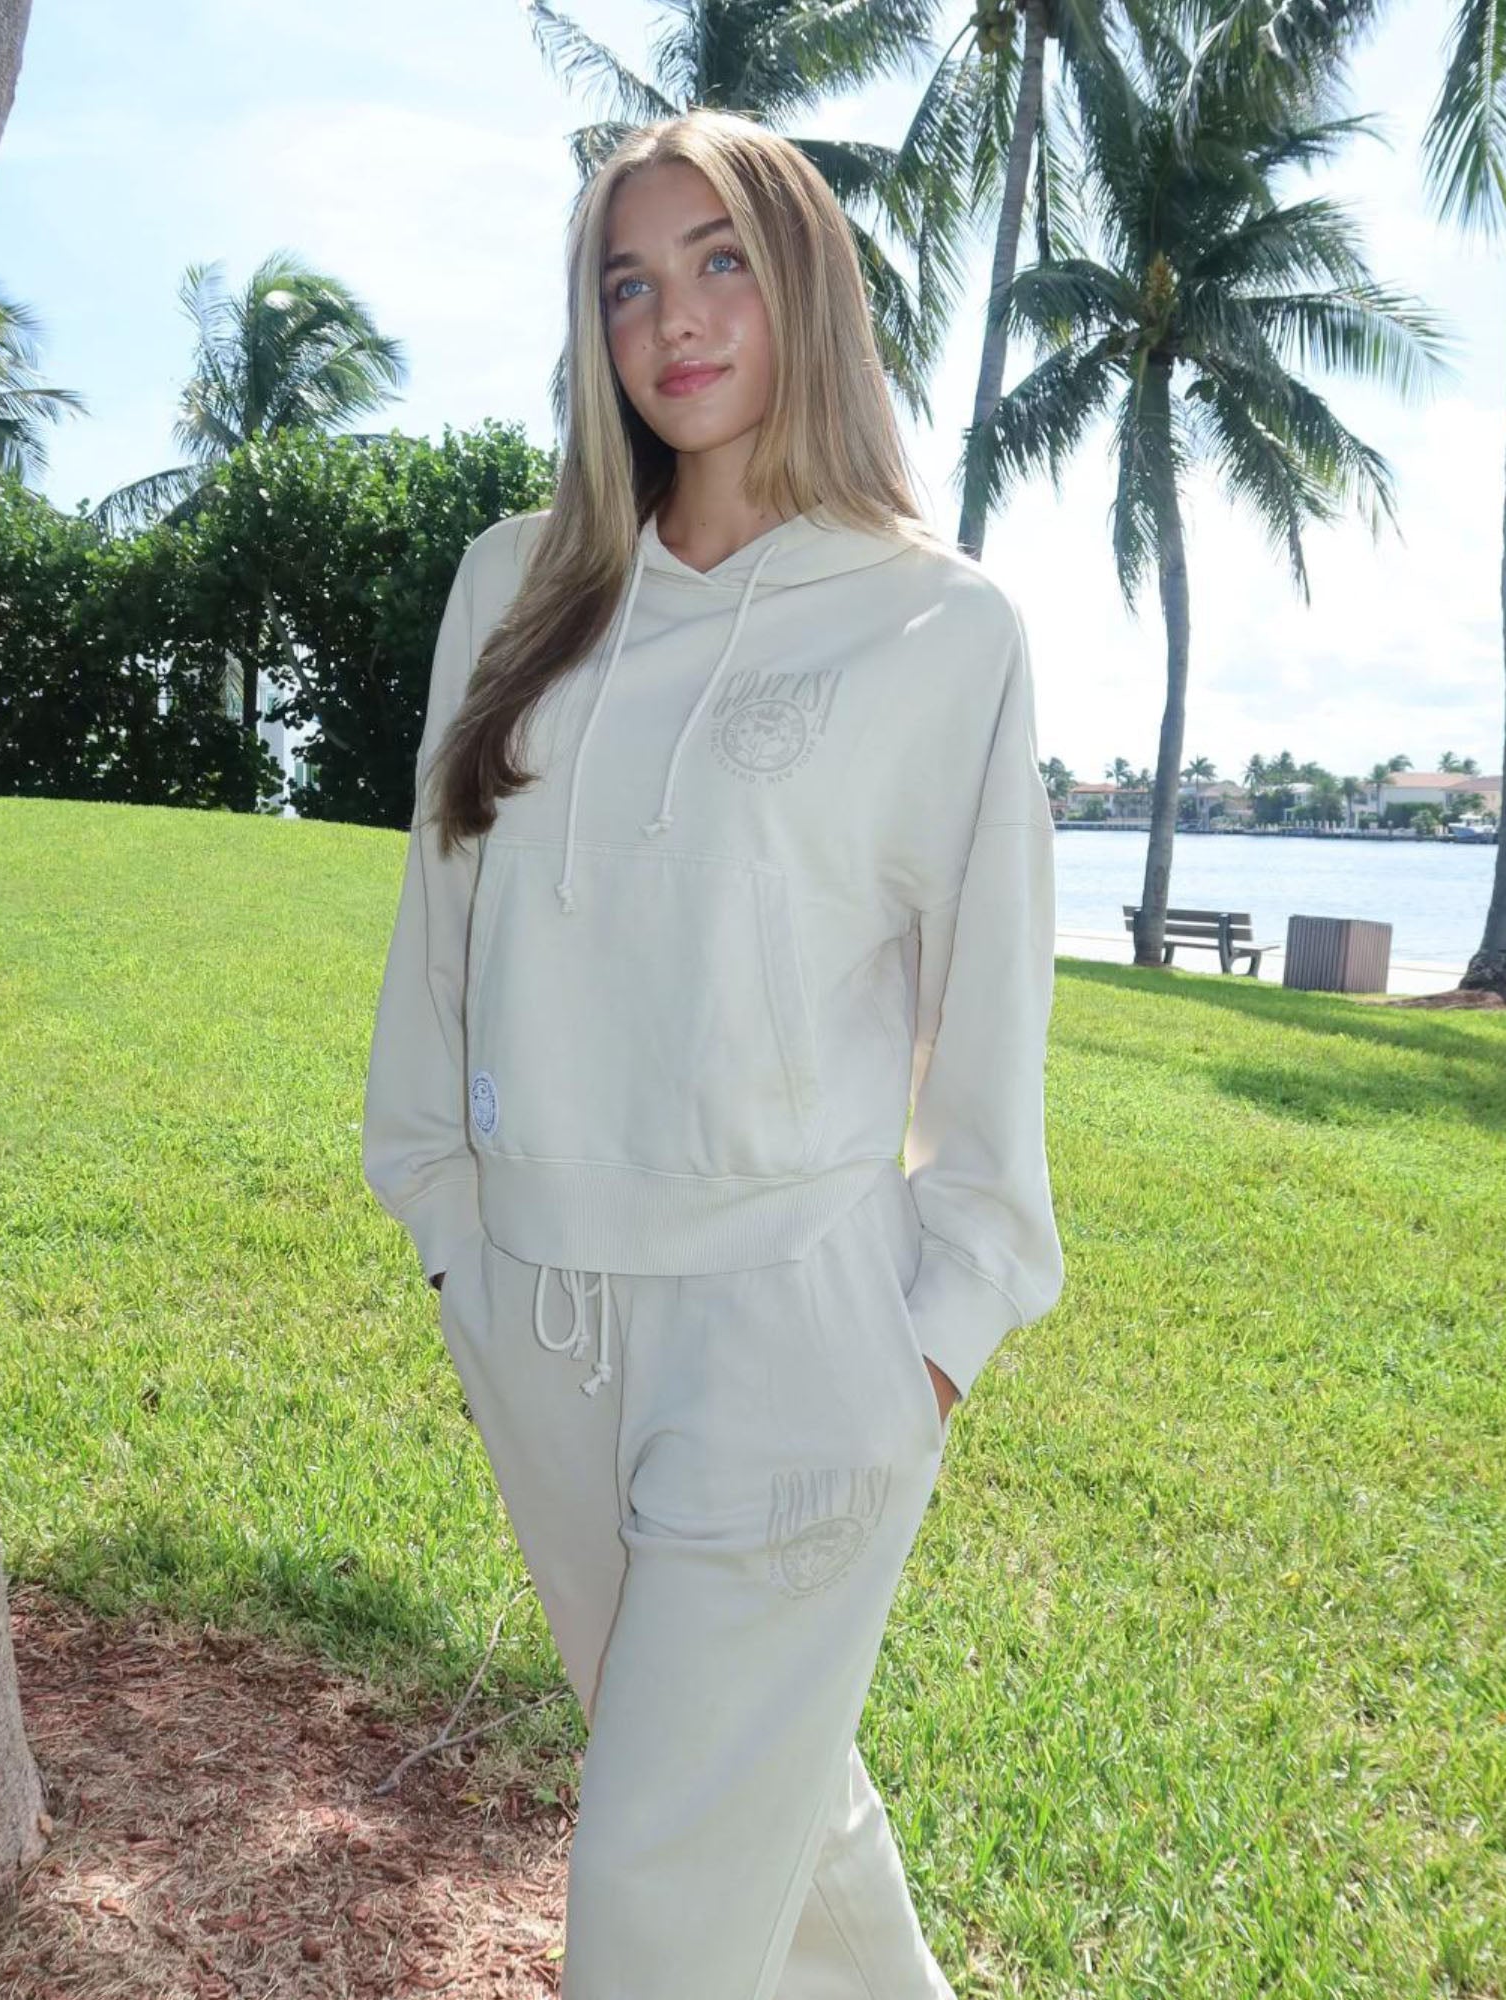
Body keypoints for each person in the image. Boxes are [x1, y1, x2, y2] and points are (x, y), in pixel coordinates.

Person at [362, 105, 1065, 2000]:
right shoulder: (515, 585)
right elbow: (442, 931)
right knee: (781, 1822)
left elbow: (991, 1037)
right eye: (627, 283)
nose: (671, 319)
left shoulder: (940, 626)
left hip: (796, 1345)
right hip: (539, 1314)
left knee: (654, 1904)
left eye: (720, 262)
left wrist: (922, 1352)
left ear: (804, 284)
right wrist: (450, 1229)